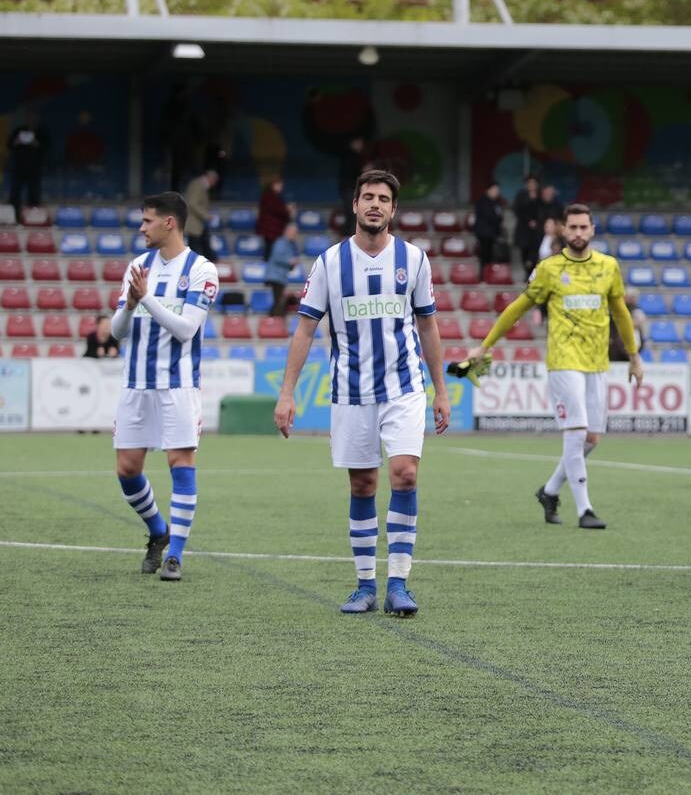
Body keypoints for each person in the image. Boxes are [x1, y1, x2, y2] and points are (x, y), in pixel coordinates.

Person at [274, 169, 451, 617]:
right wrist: (286, 393)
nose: (375, 204)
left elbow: (428, 325)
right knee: (363, 483)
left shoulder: (413, 259)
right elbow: (306, 329)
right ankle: (364, 585)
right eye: (367, 197)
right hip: (350, 391)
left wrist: (441, 391)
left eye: (383, 199)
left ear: (393, 210)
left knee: (406, 474)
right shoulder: (330, 263)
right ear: (354, 205)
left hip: (404, 388)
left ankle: (399, 584)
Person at [466, 203, 643, 530]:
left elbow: (621, 313)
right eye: (572, 227)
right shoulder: (549, 269)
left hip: (596, 362)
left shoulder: (608, 267)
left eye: (583, 227)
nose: (577, 233)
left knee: (592, 438)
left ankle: (549, 491)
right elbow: (518, 308)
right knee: (575, 432)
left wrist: (634, 356)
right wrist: (486, 344)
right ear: (563, 230)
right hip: (563, 360)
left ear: (592, 230)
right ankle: (584, 509)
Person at [108, 191, 220, 582]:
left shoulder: (202, 270)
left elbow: (187, 330)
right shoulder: (138, 266)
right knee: (127, 469)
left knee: (180, 463)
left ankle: (175, 555)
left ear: (169, 222)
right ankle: (158, 530)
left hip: (178, 386)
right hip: (135, 384)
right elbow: (116, 332)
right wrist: (130, 305)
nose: (141, 228)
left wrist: (147, 299)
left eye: (147, 221)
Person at [7, 114, 48, 212]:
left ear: (37, 120)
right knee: (15, 193)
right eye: (29, 119)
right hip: (18, 168)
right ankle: (13, 216)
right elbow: (9, 145)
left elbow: (47, 147)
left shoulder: (41, 132)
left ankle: (33, 216)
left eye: (34, 119)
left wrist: (36, 143)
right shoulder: (19, 130)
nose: (31, 121)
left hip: (35, 169)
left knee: (34, 193)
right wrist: (16, 141)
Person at [264, 222, 301, 317]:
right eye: (294, 232)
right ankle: (275, 322)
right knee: (279, 302)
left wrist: (292, 263)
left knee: (279, 301)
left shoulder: (289, 244)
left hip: (280, 276)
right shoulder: (281, 242)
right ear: (288, 231)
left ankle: (275, 321)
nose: (295, 235)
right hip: (275, 276)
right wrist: (290, 261)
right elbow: (277, 257)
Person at [182, 169, 218, 263]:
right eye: (214, 181)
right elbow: (193, 202)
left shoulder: (200, 185)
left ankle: (210, 260)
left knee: (204, 241)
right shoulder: (198, 185)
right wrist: (205, 214)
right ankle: (192, 264)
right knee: (194, 244)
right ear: (211, 178)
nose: (214, 184)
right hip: (194, 222)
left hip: (198, 223)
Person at [337, 136, 370, 237]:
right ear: (354, 143)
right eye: (359, 143)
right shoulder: (350, 156)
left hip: (350, 189)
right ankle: (348, 238)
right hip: (349, 189)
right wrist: (363, 170)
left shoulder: (354, 156)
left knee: (352, 215)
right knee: (352, 214)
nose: (361, 146)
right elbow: (351, 173)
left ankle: (349, 237)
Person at [473, 183, 506, 282]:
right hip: (484, 234)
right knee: (485, 255)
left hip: (493, 234)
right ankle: (483, 276)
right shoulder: (482, 201)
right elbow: (491, 217)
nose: (496, 192)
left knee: (491, 256)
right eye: (494, 189)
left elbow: (500, 216)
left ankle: (490, 275)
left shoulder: (497, 202)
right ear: (488, 190)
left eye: (497, 190)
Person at [256, 178, 291, 260]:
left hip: (273, 229)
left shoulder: (272, 196)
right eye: (279, 185)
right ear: (273, 185)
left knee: (271, 250)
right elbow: (278, 210)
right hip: (271, 229)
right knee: (270, 251)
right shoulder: (270, 196)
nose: (281, 188)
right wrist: (288, 210)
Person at [513, 175, 541, 277]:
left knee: (534, 252)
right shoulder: (521, 195)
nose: (532, 185)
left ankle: (532, 273)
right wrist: (528, 221)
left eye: (534, 183)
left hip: (536, 230)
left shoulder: (540, 195)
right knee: (524, 252)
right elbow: (517, 210)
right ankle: (527, 272)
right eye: (530, 183)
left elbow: (541, 210)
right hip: (523, 229)